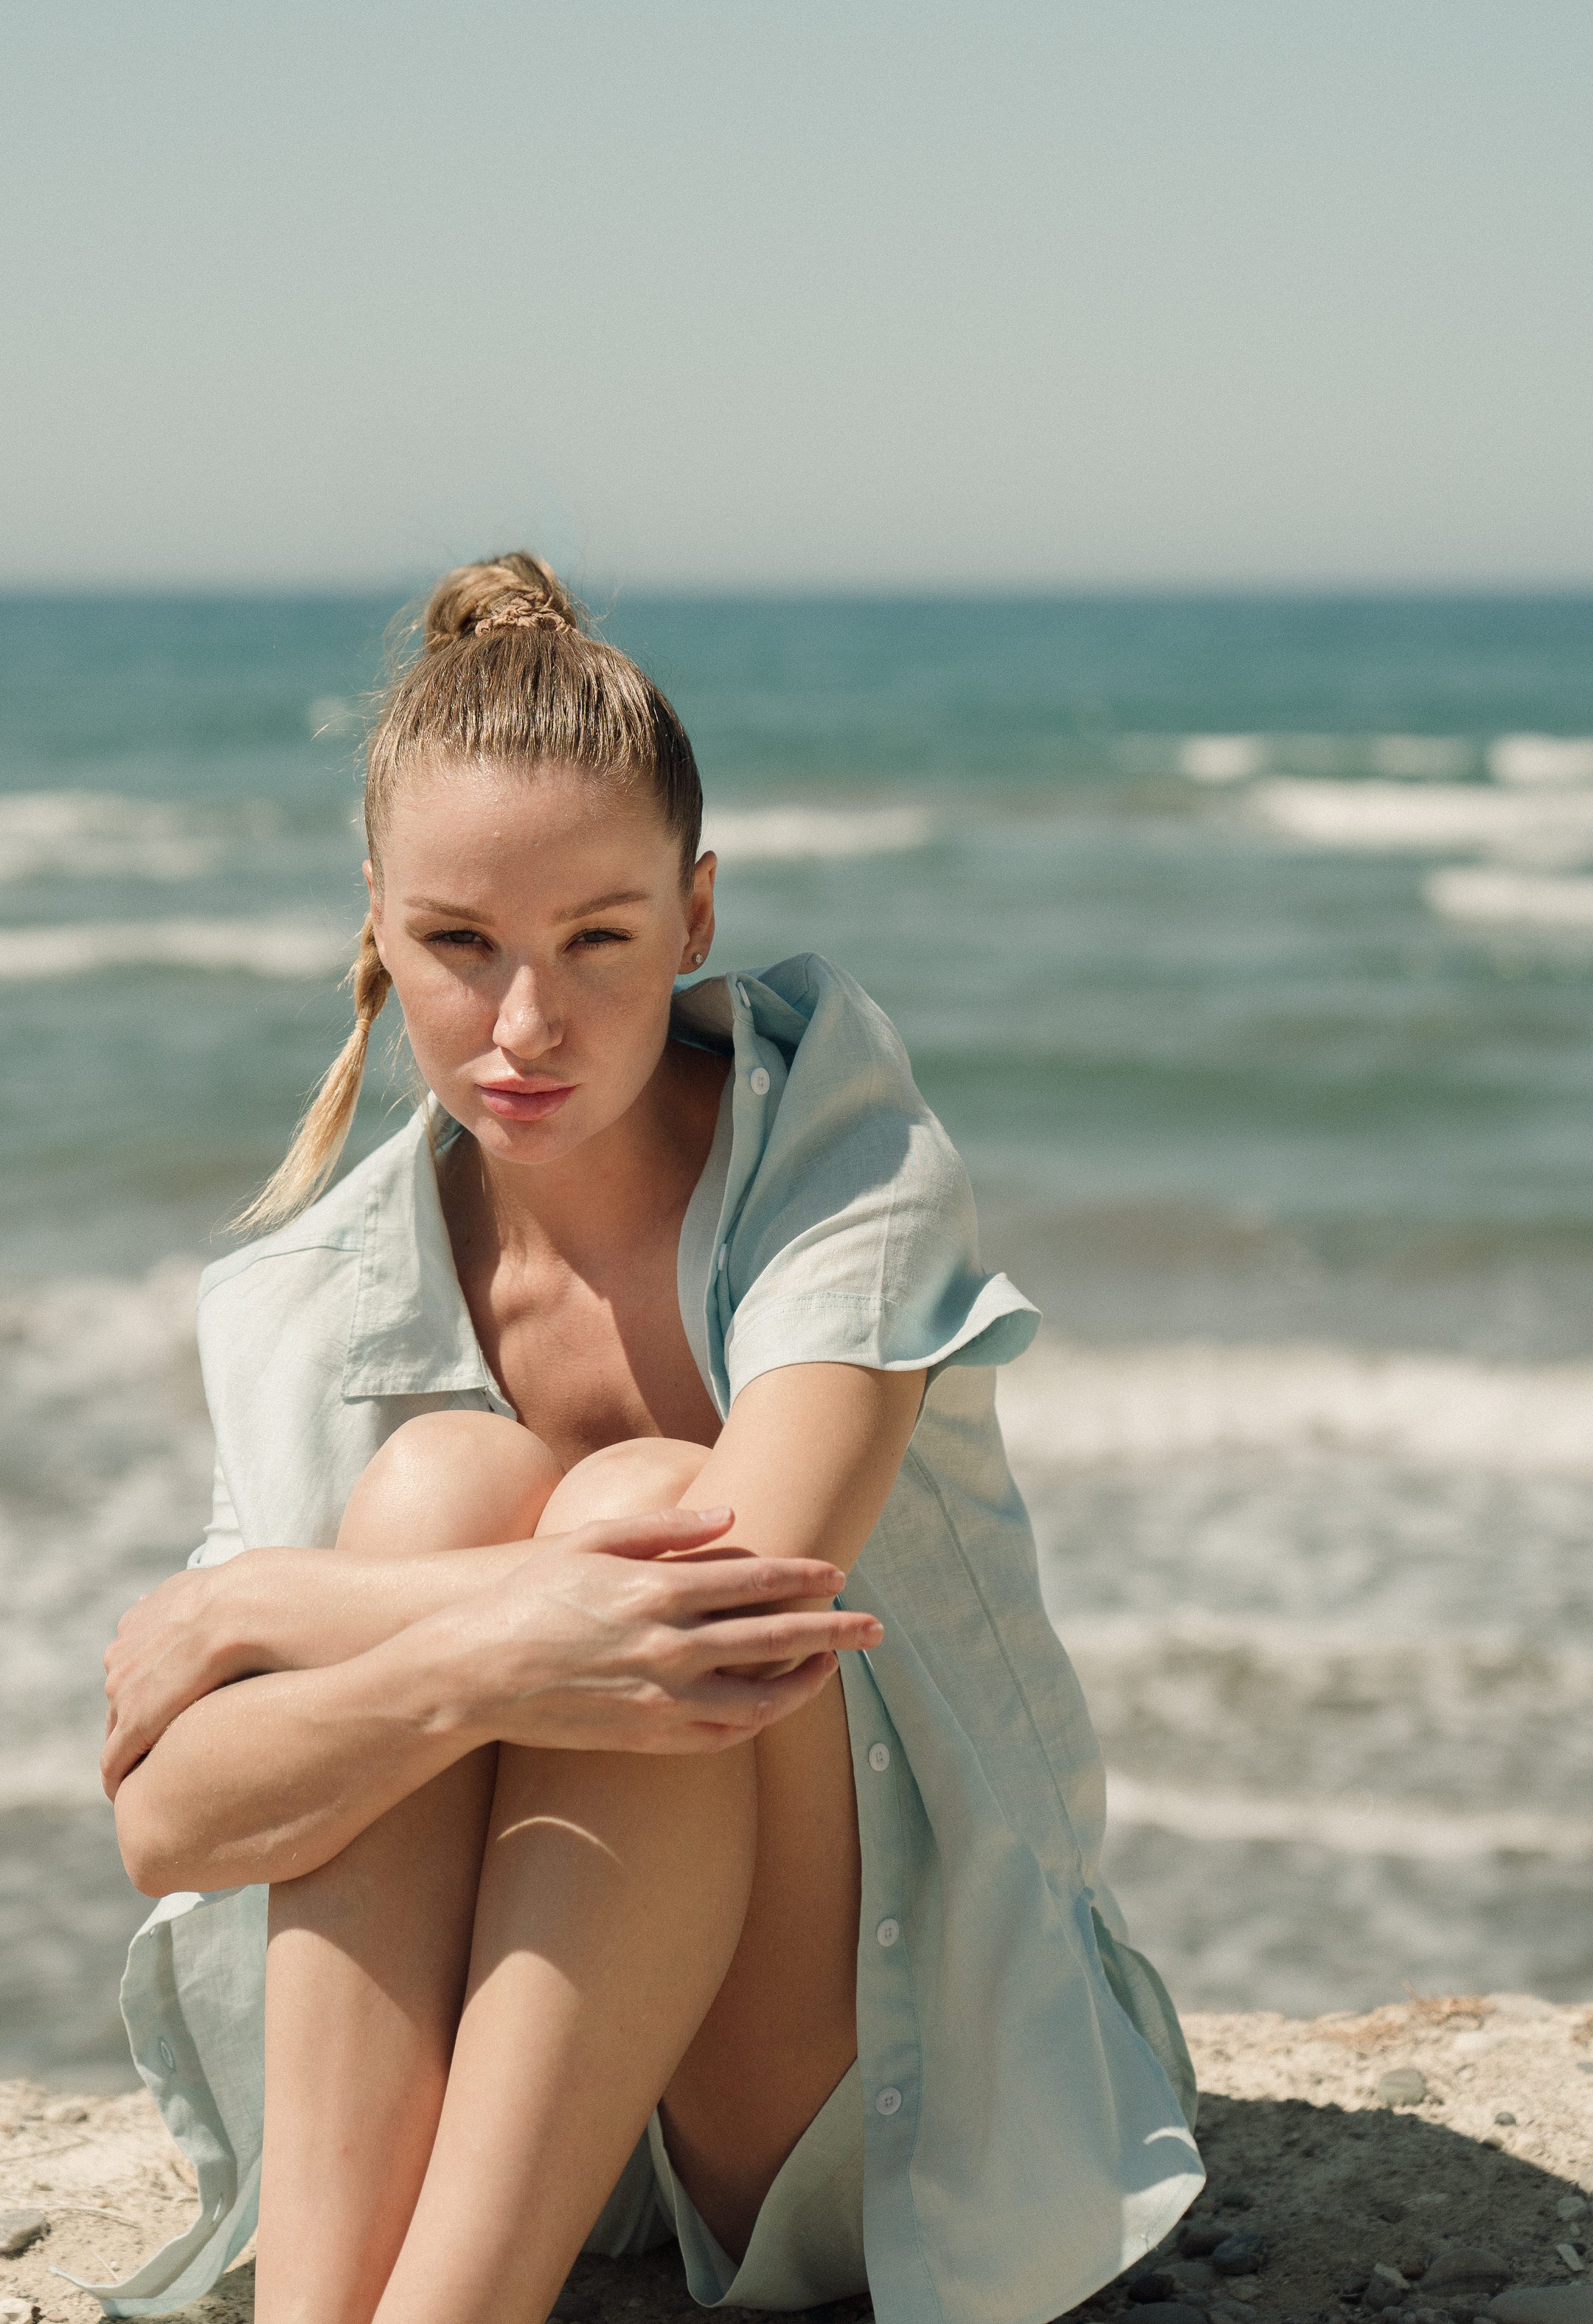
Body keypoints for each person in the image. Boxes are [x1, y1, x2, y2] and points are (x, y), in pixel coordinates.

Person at [87, 556, 1200, 2324]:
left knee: (646, 1511)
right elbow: (171, 1828)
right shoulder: (309, 1294)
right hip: (513, 2123)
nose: (522, 1027)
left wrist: (268, 1613)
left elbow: (735, 1613)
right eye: (459, 945)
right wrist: (469, 1658)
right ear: (375, 919)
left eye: (593, 941)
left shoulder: (841, 1152)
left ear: (693, 917)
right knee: (450, 1487)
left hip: (845, 2090)